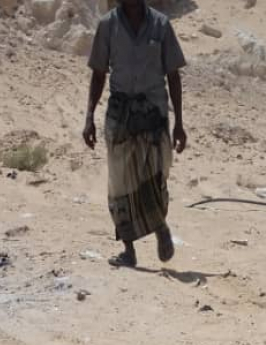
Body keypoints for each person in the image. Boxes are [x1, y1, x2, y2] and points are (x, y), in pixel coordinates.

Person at [83, 0, 187, 269]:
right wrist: (89, 118)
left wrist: (179, 123)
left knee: (154, 179)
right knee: (120, 184)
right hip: (120, 115)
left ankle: (160, 227)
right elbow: (98, 74)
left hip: (154, 114)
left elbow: (173, 76)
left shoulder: (161, 25)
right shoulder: (107, 25)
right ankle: (128, 250)